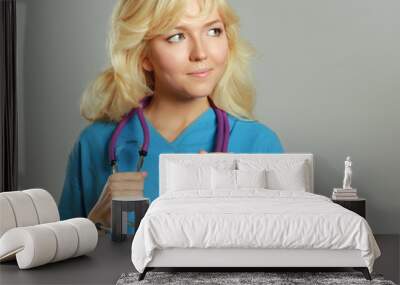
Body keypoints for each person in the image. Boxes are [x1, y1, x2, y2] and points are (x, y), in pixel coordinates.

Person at [58, 0, 284, 229]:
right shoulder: (95, 143)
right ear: (144, 54)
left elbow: (284, 253)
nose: (200, 53)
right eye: (176, 36)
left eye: (213, 31)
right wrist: (96, 223)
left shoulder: (259, 144)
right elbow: (64, 257)